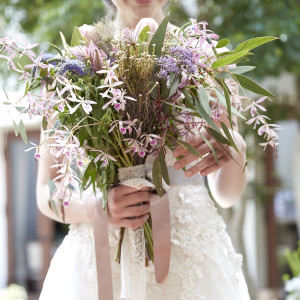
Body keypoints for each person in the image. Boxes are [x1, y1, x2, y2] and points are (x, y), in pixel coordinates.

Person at [37, 0, 251, 299]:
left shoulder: (207, 59)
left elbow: (227, 195)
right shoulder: (75, 62)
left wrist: (236, 148)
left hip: (191, 257)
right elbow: (47, 190)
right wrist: (96, 207)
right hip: (99, 261)